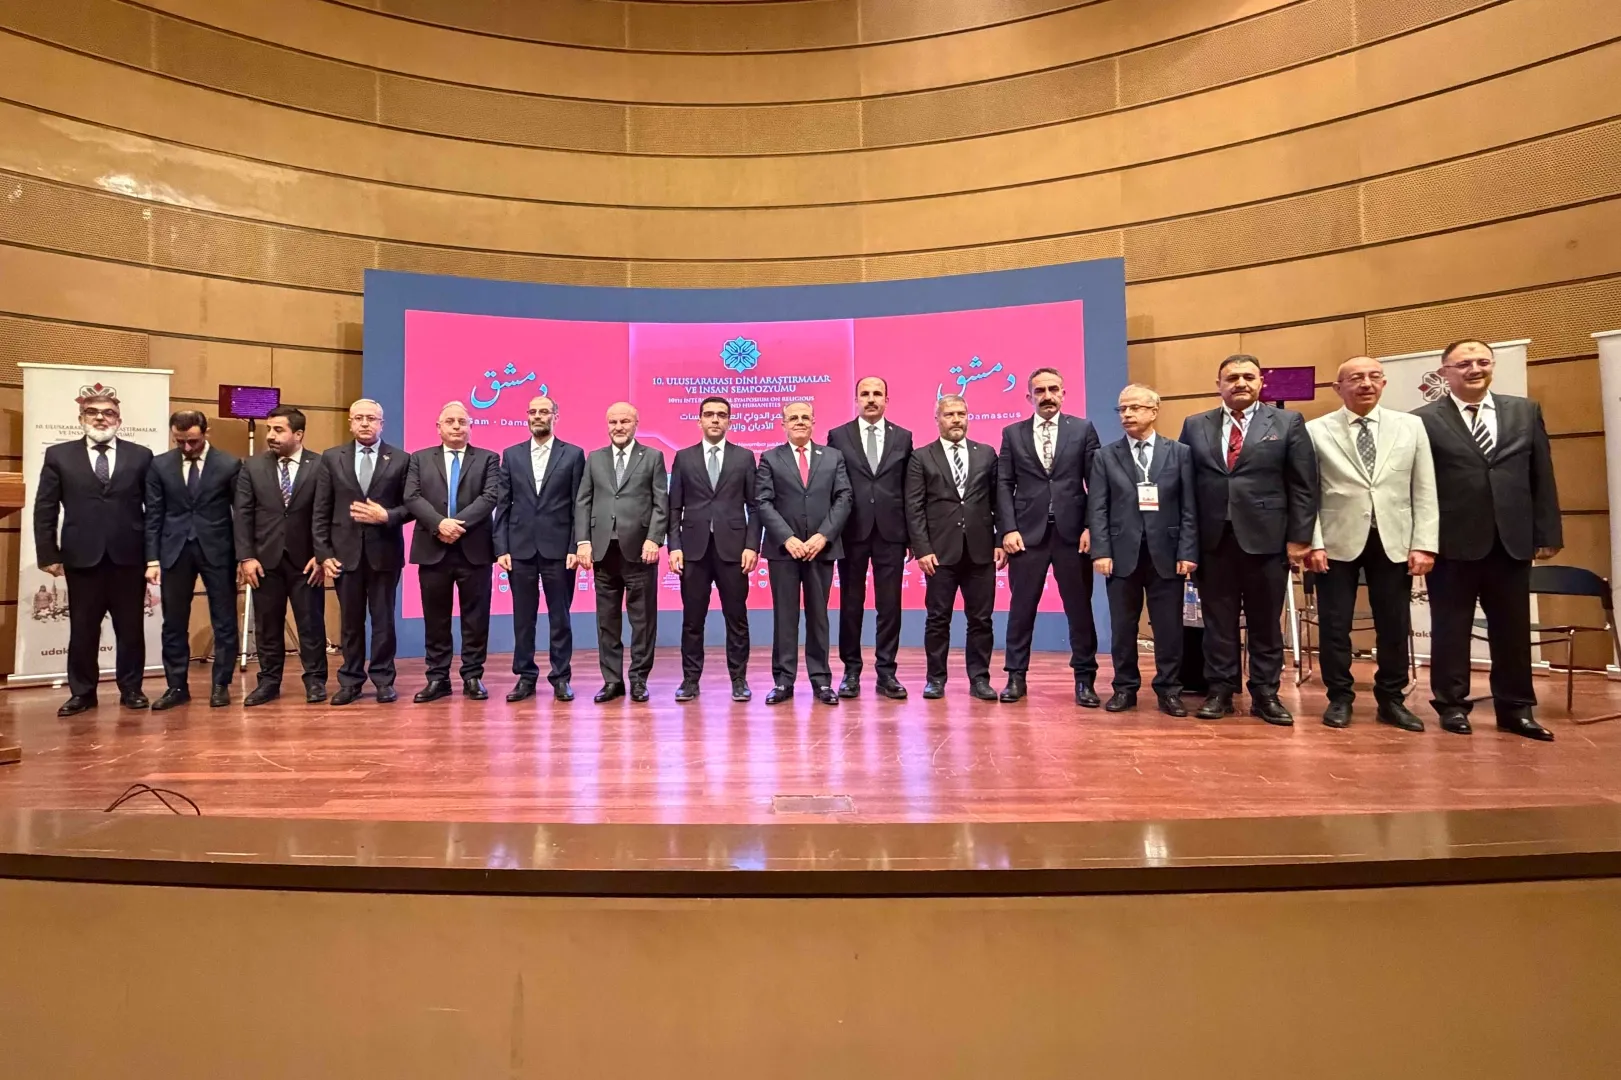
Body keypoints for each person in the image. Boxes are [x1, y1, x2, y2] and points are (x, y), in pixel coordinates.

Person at [1416, 339, 1562, 741]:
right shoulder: (1422, 420)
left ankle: (1516, 709)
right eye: (1464, 364)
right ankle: (1452, 706)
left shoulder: (1524, 411)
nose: (1475, 369)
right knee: (1450, 629)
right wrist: (1421, 541)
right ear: (1445, 372)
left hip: (1511, 540)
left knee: (1512, 630)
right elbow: (1418, 487)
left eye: (1482, 361)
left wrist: (1547, 532)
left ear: (1492, 366)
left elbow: (1541, 475)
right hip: (1451, 543)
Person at [1178, 355, 1318, 725]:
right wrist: (1187, 543)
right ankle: (1220, 691)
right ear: (1219, 385)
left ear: (1260, 383)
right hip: (1213, 542)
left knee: (1265, 623)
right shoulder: (1195, 425)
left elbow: (1304, 485)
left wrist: (1299, 539)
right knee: (1217, 623)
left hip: (1267, 541)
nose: (1240, 383)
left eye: (1248, 377)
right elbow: (1184, 488)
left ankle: (1265, 693)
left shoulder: (1288, 422)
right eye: (1232, 378)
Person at [1305, 357, 1437, 731]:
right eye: (1356, 378)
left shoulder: (1411, 426)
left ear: (1383, 383)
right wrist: (1313, 542)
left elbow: (1424, 488)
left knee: (1393, 624)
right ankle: (1339, 697)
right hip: (1336, 541)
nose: (1366, 383)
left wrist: (1424, 543)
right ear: (1338, 388)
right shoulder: (1315, 431)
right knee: (1334, 625)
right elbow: (1308, 493)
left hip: (1394, 539)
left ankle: (1391, 699)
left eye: (1374, 377)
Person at [34, 387, 154, 717]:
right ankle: (83, 693)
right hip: (81, 558)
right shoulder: (59, 455)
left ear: (119, 420)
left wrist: (153, 555)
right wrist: (48, 554)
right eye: (93, 412)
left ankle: (132, 689)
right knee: (83, 630)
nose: (100, 418)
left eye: (108, 412)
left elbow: (154, 510)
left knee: (130, 630)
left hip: (129, 558)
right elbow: (45, 507)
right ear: (81, 418)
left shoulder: (141, 456)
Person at [1088, 384, 1199, 716]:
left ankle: (1169, 689)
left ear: (1154, 411)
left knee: (1168, 628)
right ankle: (1124, 688)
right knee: (1123, 628)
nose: (1127, 414)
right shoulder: (1105, 456)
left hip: (1168, 554)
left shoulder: (1179, 453)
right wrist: (1101, 551)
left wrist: (1187, 551)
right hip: (1121, 555)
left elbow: (1189, 507)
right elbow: (1098, 508)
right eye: (1122, 409)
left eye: (1134, 408)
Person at [997, 367, 1103, 706]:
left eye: (1053, 389)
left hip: (1073, 535)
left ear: (1063, 393)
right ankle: (1015, 677)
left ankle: (1085, 680)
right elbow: (1004, 484)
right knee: (1021, 608)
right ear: (1029, 396)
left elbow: (1096, 483)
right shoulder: (1012, 433)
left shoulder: (1083, 429)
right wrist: (1007, 529)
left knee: (1079, 609)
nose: (1047, 396)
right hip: (1026, 536)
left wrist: (1091, 527)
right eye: (1040, 391)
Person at [905, 394, 1003, 700]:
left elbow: (999, 501)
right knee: (938, 619)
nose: (956, 419)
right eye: (949, 414)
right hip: (939, 553)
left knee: (981, 619)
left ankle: (980, 679)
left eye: (961, 413)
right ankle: (935, 679)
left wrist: (1000, 540)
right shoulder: (921, 457)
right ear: (937, 419)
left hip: (980, 551)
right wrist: (922, 549)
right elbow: (914, 507)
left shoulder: (986, 454)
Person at [404, 401, 503, 703]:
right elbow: (412, 496)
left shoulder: (488, 458)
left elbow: (490, 496)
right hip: (433, 548)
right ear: (439, 427)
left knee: (476, 618)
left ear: (471, 426)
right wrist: (439, 524)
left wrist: (456, 525)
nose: (457, 426)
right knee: (436, 618)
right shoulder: (419, 458)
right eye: (450, 421)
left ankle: (473, 676)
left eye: (462, 421)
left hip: (474, 549)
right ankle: (438, 678)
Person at [755, 400, 852, 706]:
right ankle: (783, 681)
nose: (799, 421)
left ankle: (821, 680)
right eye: (793, 418)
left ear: (813, 422)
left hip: (821, 550)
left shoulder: (833, 457)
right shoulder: (770, 458)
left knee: (818, 616)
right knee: (785, 617)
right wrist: (788, 538)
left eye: (805, 417)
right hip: (784, 551)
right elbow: (763, 502)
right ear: (783, 424)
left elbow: (844, 497)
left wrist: (824, 535)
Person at [313, 398, 408, 705]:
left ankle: (383, 679)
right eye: (359, 418)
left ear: (382, 424)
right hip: (344, 555)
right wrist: (323, 554)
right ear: (350, 423)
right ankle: (351, 681)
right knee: (351, 623)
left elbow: (411, 506)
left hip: (385, 553)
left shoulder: (401, 459)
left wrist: (387, 516)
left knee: (383, 621)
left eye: (371, 418)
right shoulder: (332, 458)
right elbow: (321, 509)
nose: (365, 423)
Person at [144, 411, 241, 711]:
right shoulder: (160, 465)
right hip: (174, 550)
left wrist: (243, 556)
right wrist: (152, 559)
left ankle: (221, 684)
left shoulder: (229, 464)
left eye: (193, 441)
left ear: (206, 432)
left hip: (218, 550)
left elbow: (241, 515)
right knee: (173, 622)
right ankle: (176, 686)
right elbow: (153, 515)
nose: (187, 447)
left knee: (224, 620)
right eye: (180, 441)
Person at [667, 396, 760, 703]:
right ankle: (690, 680)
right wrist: (674, 546)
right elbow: (674, 507)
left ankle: (739, 680)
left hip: (733, 550)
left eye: (721, 415)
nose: (715, 419)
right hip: (693, 551)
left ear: (729, 421)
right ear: (700, 421)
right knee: (693, 620)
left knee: (737, 618)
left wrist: (752, 546)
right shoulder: (684, 458)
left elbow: (755, 507)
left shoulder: (744, 457)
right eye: (709, 414)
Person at [826, 376, 913, 700]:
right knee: (851, 604)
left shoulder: (903, 437)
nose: (871, 399)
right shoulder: (838, 435)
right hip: (851, 531)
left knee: (890, 605)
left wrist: (912, 537)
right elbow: (831, 485)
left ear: (887, 399)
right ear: (856, 399)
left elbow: (909, 489)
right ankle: (850, 671)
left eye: (878, 393)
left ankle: (887, 672)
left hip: (892, 533)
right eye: (865, 394)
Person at [575, 402, 667, 703]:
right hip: (603, 552)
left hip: (640, 551)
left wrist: (654, 539)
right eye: (613, 422)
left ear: (636, 424)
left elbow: (660, 503)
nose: (618, 427)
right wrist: (583, 542)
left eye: (624, 421)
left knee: (643, 621)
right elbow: (583, 501)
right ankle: (612, 681)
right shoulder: (595, 458)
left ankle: (639, 679)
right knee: (607, 621)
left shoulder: (652, 457)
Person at [495, 395, 586, 704]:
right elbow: (503, 505)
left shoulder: (573, 454)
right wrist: (501, 547)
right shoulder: (511, 454)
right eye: (532, 411)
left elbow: (578, 505)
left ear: (555, 416)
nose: (537, 416)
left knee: (560, 617)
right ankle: (525, 676)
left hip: (559, 550)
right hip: (519, 548)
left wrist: (575, 544)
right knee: (523, 617)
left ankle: (561, 677)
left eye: (544, 411)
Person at [235, 405, 327, 706]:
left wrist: (322, 554)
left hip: (307, 561)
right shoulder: (252, 466)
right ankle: (269, 682)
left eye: (279, 430)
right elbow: (243, 514)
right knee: (267, 625)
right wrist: (246, 557)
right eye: (269, 429)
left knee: (311, 624)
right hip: (264, 560)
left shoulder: (320, 465)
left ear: (298, 434)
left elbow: (327, 513)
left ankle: (315, 681)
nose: (271, 436)